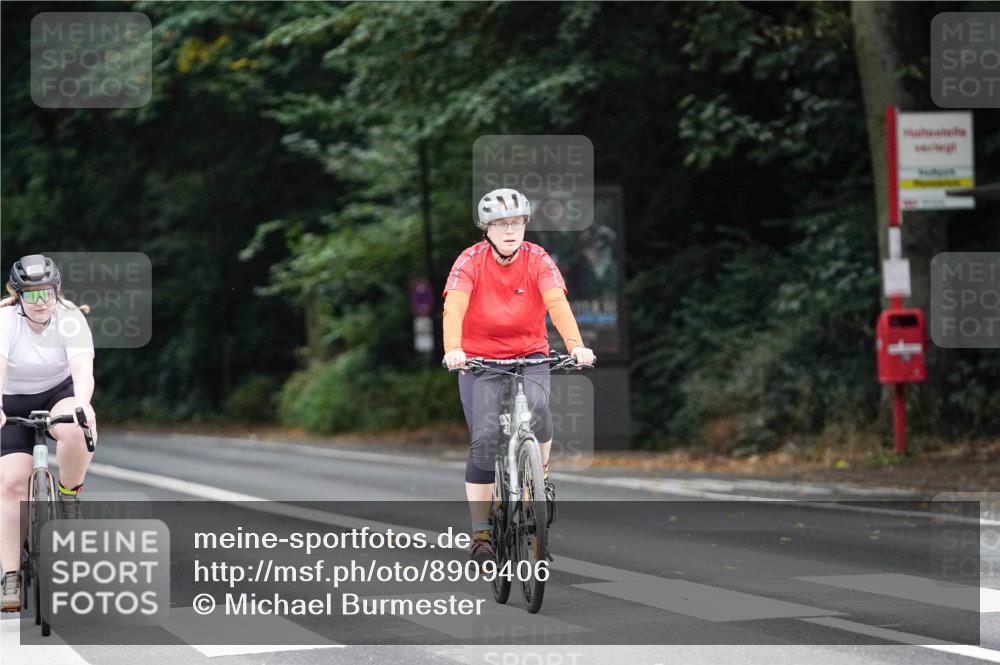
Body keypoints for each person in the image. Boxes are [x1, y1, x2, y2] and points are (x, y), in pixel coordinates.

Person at [442, 188, 595, 567]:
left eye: (517, 222)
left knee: (540, 406)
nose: (510, 230)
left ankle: (538, 477)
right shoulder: (469, 261)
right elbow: (453, 308)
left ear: (525, 224)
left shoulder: (538, 258)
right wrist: (453, 348)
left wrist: (575, 345)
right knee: (484, 438)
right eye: (500, 224)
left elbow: (556, 303)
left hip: (530, 353)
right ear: (486, 229)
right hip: (479, 359)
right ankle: (481, 533)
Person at [0, 255, 96, 611]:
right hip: (10, 400)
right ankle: (11, 576)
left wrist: (82, 404)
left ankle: (68, 495)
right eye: (31, 295)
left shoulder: (70, 318)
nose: (40, 303)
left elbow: (82, 371)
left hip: (58, 392)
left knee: (76, 426)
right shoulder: (4, 321)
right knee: (11, 484)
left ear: (56, 291)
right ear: (18, 296)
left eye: (46, 293)